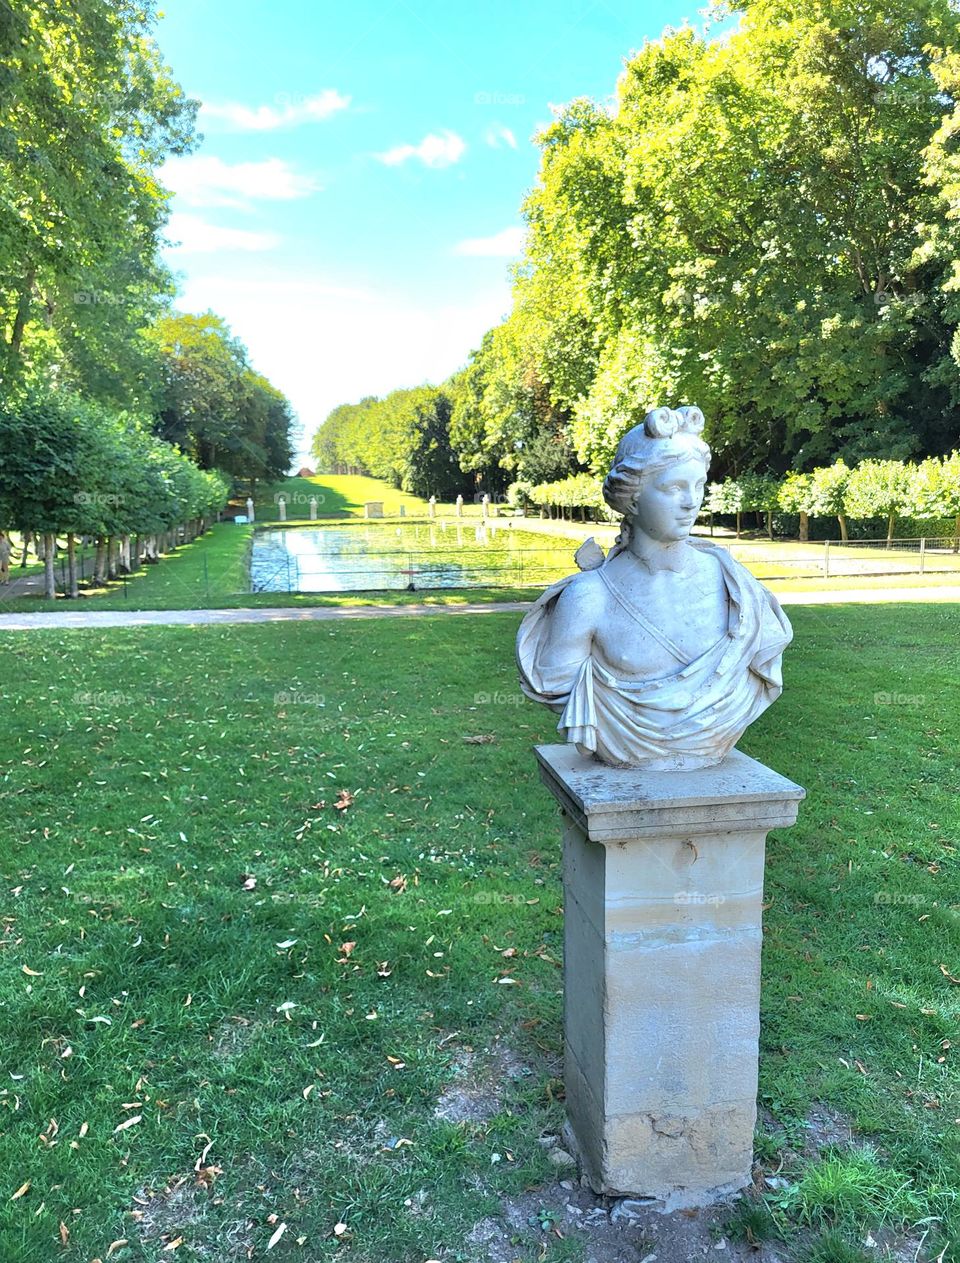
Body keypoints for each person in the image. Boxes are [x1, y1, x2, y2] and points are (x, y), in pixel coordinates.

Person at [516, 406, 792, 770]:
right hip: (625, 753)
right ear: (631, 498)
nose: (691, 501)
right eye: (673, 487)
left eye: (698, 486)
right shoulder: (588, 598)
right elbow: (555, 684)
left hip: (711, 748)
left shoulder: (736, 587)